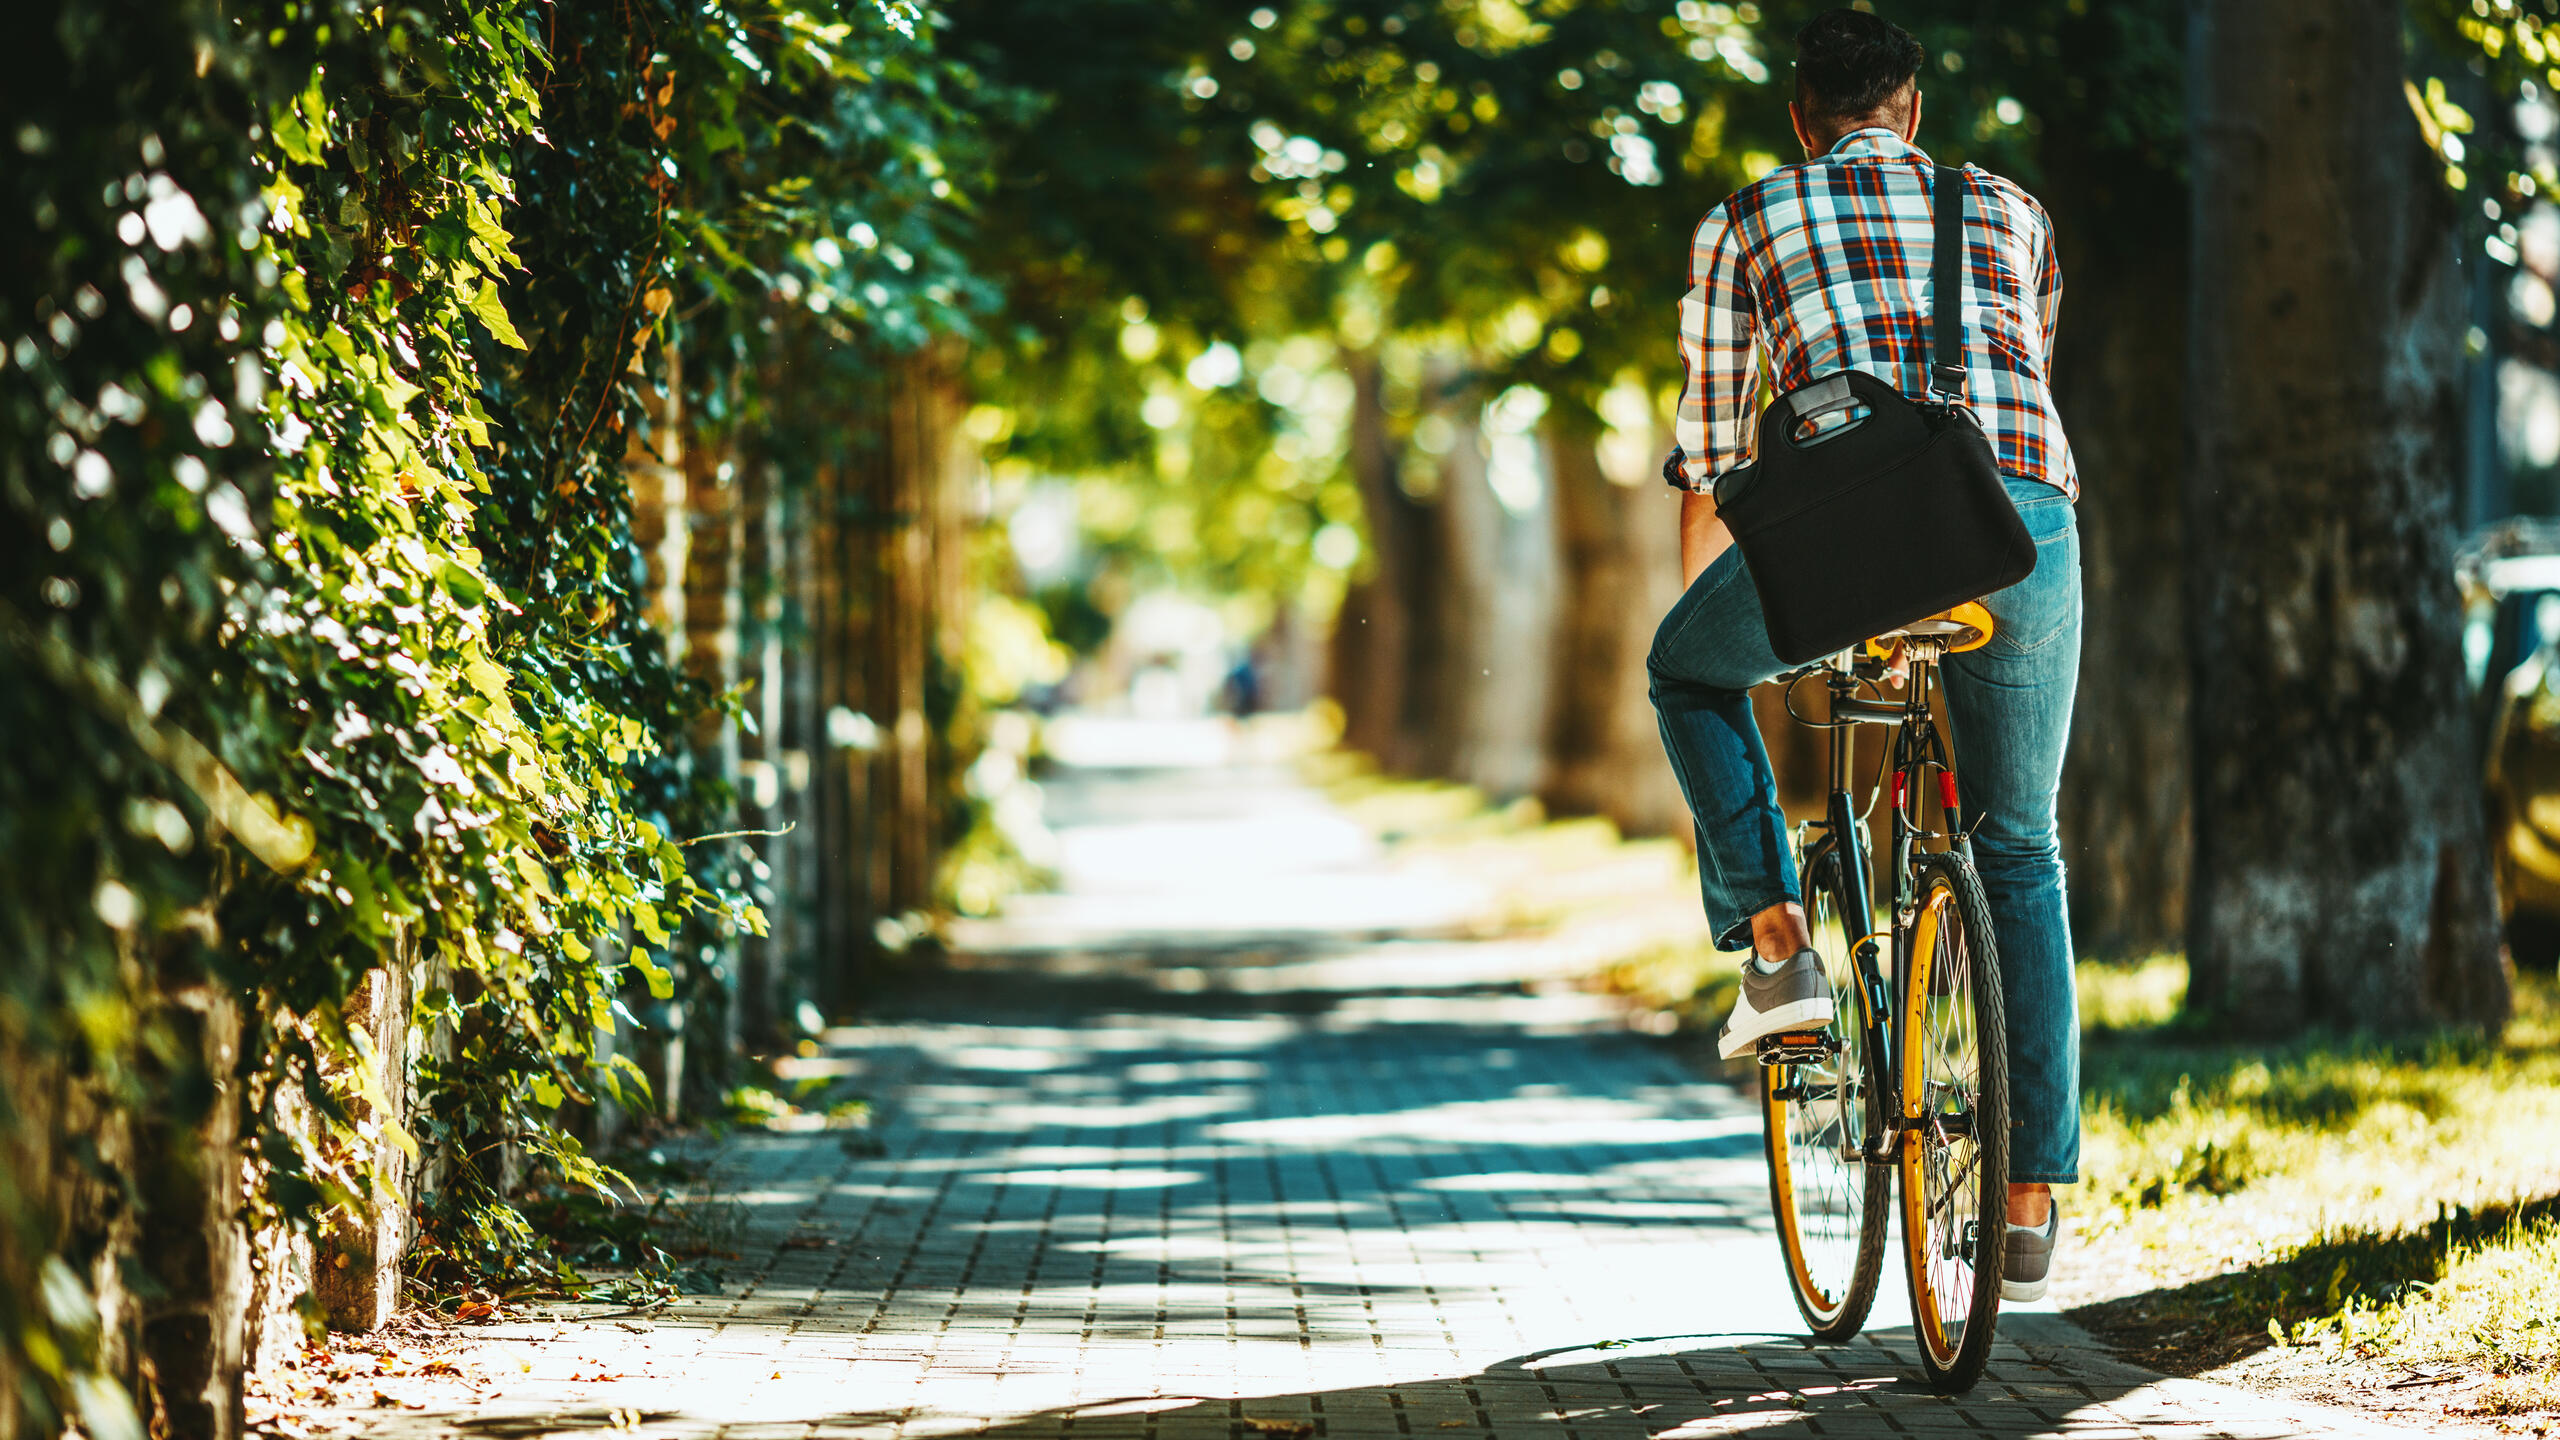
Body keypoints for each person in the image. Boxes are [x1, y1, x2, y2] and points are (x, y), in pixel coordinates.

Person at [1648, 8, 2082, 1303]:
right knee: (2020, 845)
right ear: (1913, 107)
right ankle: (2025, 1198)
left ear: (1801, 115)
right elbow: (2024, 377)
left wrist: (1718, 627)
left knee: (1686, 668)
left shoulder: (1743, 223)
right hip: (2017, 523)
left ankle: (1779, 945)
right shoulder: (2012, 211)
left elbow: (1719, 459)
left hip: (1845, 534)